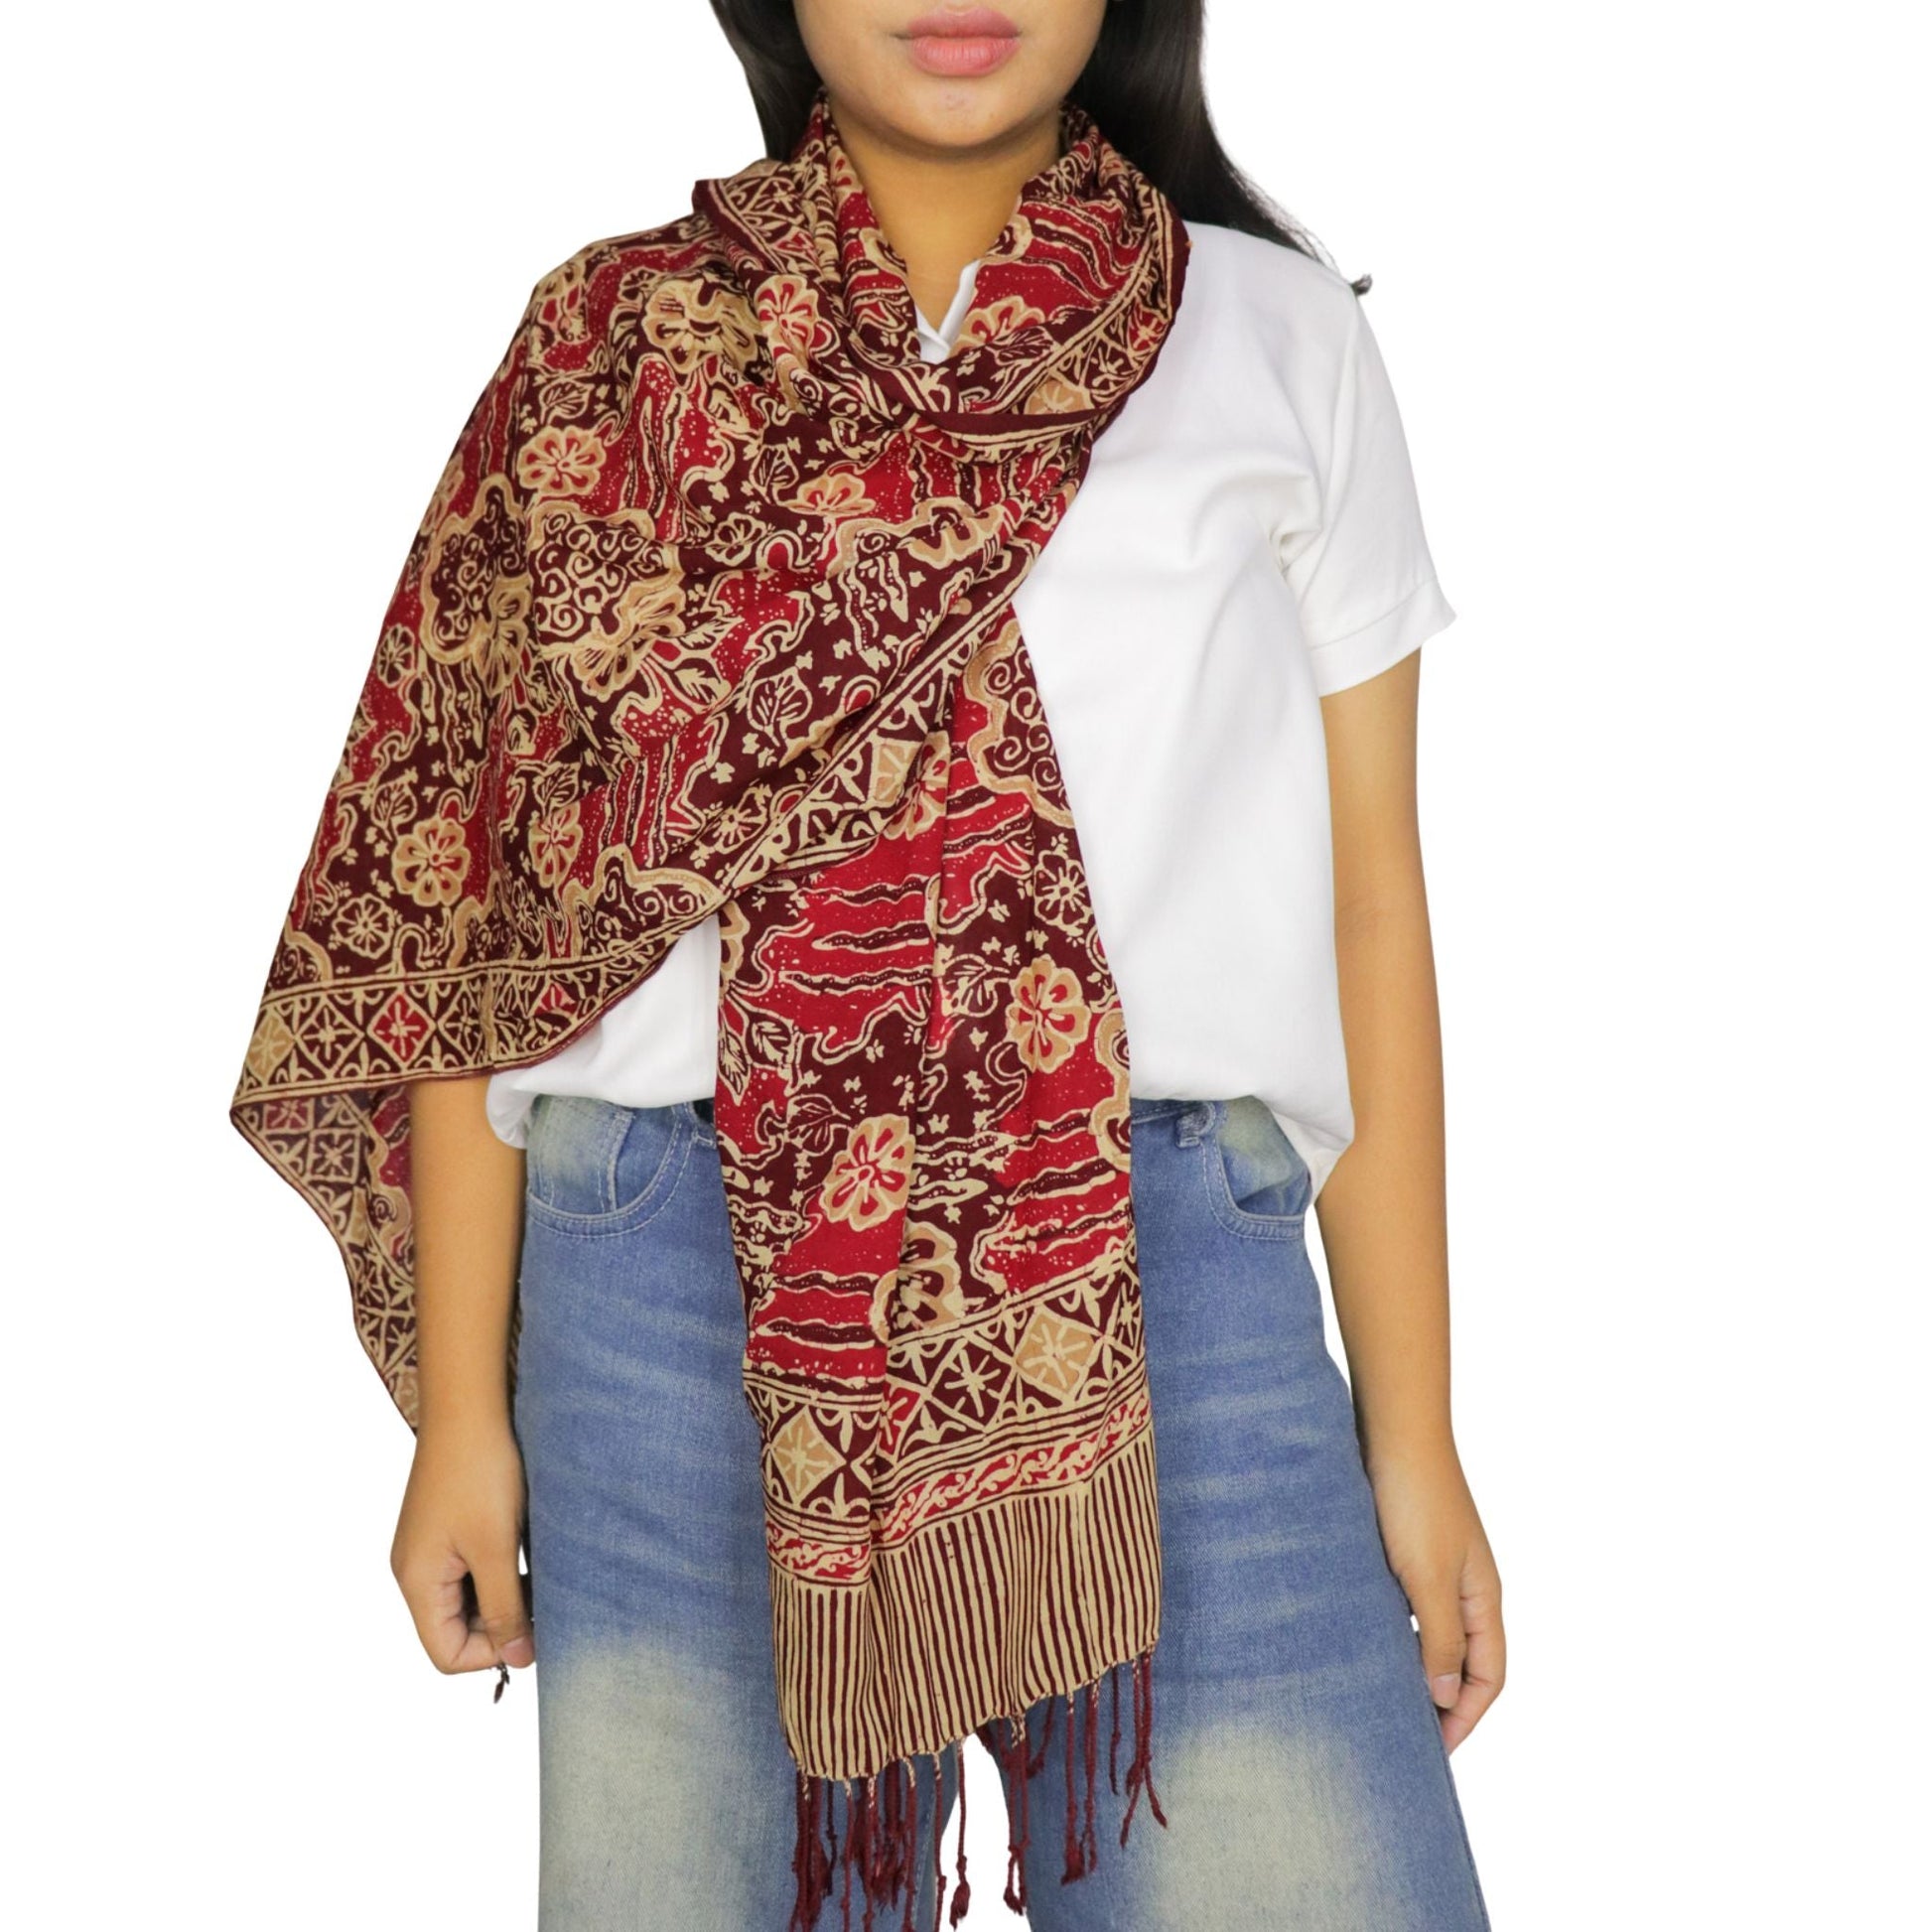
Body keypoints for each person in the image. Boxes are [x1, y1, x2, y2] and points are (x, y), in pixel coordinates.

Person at [232, 3, 1503, 1927]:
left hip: (1173, 1277)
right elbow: (467, 914)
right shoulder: (605, 343)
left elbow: (1369, 902)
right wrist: (467, 1418)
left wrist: (1414, 1440)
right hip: (663, 1286)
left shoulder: (1271, 335)